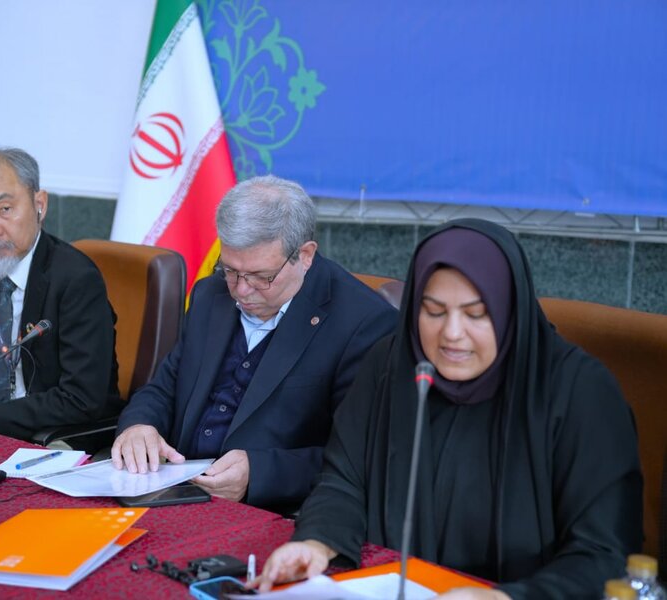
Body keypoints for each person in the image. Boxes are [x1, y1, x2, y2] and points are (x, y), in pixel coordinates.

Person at [257, 219, 643, 598]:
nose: (452, 334)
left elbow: (604, 553)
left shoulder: (579, 392)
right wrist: (316, 542)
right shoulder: (392, 365)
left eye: (476, 314)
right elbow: (344, 480)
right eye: (434, 311)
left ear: (510, 310)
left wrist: (505, 598)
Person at [111, 175, 398, 511]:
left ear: (305, 255)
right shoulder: (210, 295)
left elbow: (361, 457)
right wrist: (138, 425)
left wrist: (260, 474)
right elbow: (164, 387)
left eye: (262, 277)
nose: (241, 290)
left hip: (271, 509)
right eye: (231, 270)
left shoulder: (362, 323)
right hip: (171, 487)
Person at [0, 148, 120, 441]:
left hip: (54, 437)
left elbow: (81, 398)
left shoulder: (76, 279)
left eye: (5, 209)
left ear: (39, 204)